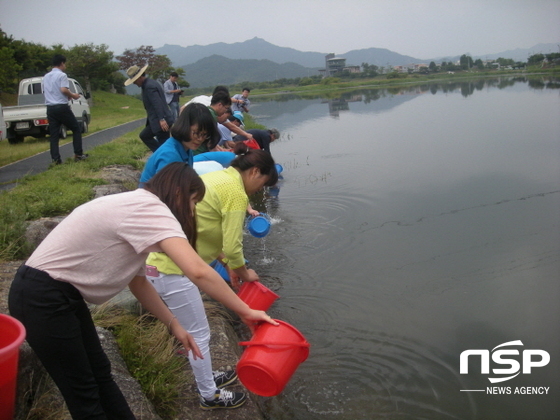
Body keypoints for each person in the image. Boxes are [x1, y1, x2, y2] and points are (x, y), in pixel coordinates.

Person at [8, 163, 277, 419]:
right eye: (194, 203)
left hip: (56, 294)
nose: (193, 212)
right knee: (83, 392)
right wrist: (246, 310)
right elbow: (198, 271)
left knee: (101, 373)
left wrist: (174, 324)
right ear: (177, 194)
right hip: (43, 296)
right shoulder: (151, 208)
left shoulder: (137, 206)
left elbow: (138, 283)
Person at [139, 103, 219, 185]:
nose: (200, 139)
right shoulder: (170, 156)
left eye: (204, 134)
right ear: (185, 126)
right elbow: (165, 193)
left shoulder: (187, 149)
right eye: (196, 133)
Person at [43, 54, 88, 165]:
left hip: (50, 108)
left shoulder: (46, 77)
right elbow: (63, 89)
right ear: (62, 63)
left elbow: (47, 92)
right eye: (65, 64)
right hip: (61, 107)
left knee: (54, 135)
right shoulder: (62, 75)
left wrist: (65, 95)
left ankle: (55, 159)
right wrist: (73, 95)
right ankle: (78, 154)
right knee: (76, 128)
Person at [125, 65, 174, 152]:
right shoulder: (150, 83)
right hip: (157, 121)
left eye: (134, 80)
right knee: (145, 136)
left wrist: (161, 119)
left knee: (164, 146)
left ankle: (165, 158)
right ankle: (160, 154)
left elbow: (157, 103)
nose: (134, 83)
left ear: (139, 77)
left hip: (161, 121)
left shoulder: (149, 86)